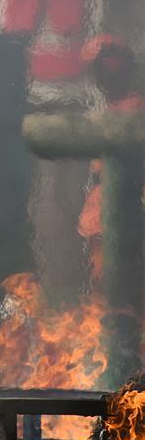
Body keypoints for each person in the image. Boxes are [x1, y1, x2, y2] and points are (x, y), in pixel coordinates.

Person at [77, 34, 144, 284]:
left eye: (112, 64)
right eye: (100, 67)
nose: (105, 74)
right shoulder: (108, 111)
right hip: (102, 216)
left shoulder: (136, 109)